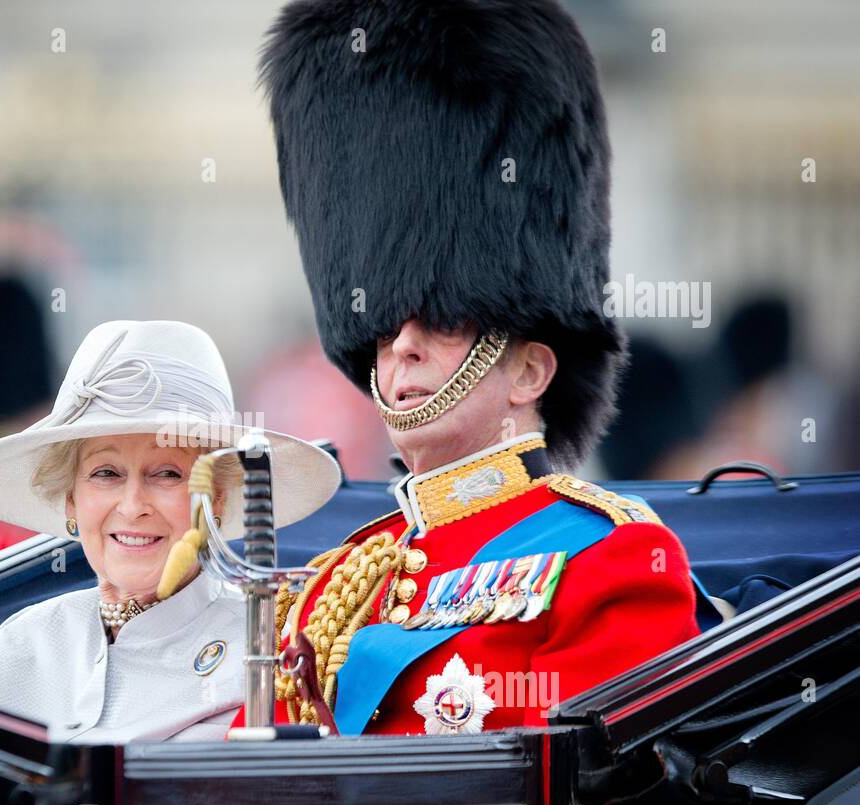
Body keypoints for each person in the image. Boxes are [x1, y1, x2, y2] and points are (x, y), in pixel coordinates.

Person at [241, 0, 703, 735]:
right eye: (385, 328)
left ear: (528, 373)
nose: (403, 347)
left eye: (445, 321)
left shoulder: (612, 559)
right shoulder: (335, 581)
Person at [0, 309, 340, 743]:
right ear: (70, 500)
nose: (133, 505)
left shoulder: (269, 646)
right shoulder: (27, 640)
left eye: (167, 474)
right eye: (106, 473)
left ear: (217, 499)